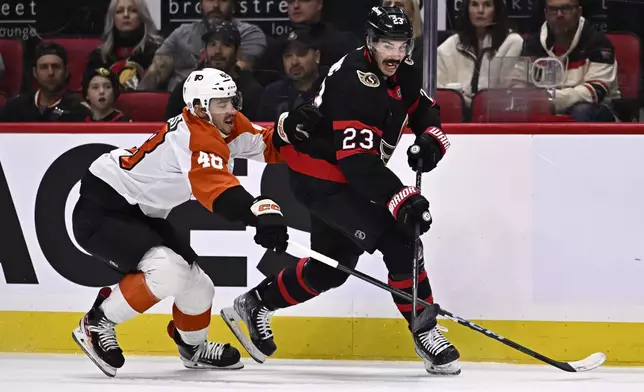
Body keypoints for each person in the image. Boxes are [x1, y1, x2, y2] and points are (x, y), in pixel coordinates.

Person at [222, 6, 460, 376]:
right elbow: (358, 164)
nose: (394, 53)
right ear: (370, 42)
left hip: (345, 178)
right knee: (401, 241)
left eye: (400, 44)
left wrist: (431, 142)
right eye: (385, 44)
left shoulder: (405, 71)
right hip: (322, 179)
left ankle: (253, 304)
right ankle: (425, 330)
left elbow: (424, 110)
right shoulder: (354, 80)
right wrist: (401, 198)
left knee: (331, 269)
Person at [71, 68, 290, 377]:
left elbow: (265, 144)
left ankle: (193, 348)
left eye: (231, 100)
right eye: (221, 103)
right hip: (104, 207)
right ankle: (97, 322)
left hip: (141, 211)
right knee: (168, 271)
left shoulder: (221, 124)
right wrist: (259, 211)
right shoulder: (195, 136)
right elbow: (220, 193)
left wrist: (291, 131)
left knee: (200, 287)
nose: (231, 109)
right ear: (200, 107)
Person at [514, 0, 620, 121]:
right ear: (546, 13)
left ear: (579, 12)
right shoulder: (533, 44)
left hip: (595, 109)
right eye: (553, 10)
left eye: (566, 8)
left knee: (582, 110)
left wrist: (550, 99)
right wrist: (529, 98)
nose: (559, 14)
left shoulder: (598, 43)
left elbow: (596, 91)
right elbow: (518, 83)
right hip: (545, 106)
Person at [164, 20, 263, 120]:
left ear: (238, 52)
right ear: (204, 50)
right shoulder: (186, 87)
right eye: (212, 44)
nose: (217, 51)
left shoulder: (251, 91)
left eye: (226, 45)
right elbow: (170, 129)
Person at [437, 0, 523, 108]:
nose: (480, 11)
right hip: (457, 116)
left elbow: (512, 92)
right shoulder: (451, 45)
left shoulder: (512, 43)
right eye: (474, 4)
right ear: (467, 9)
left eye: (487, 5)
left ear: (496, 9)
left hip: (495, 116)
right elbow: (438, 91)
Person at [0, 42, 90, 122]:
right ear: (35, 72)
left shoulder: (78, 110)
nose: (50, 73)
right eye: (44, 67)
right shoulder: (15, 107)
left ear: (66, 72)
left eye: (56, 67)